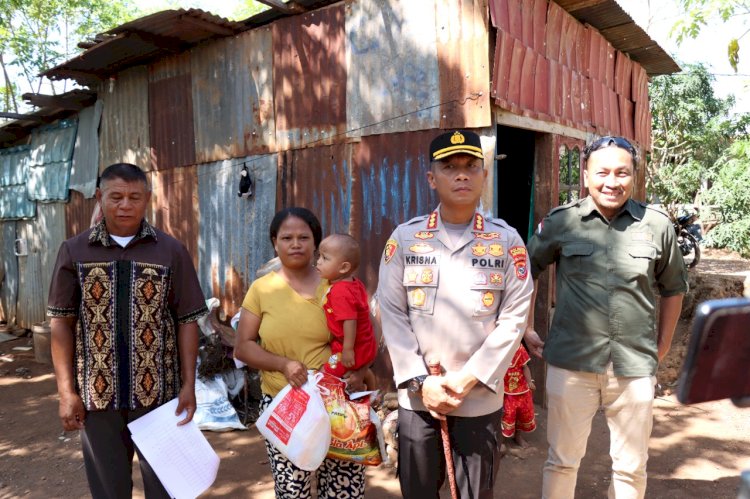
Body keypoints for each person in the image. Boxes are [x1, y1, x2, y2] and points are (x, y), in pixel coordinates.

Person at [525, 136, 688, 499]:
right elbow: (525, 269)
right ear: (586, 175)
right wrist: (525, 326)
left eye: (621, 173)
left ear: (634, 177)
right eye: (602, 172)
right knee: (562, 461)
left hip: (633, 369)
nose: (611, 182)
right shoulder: (562, 222)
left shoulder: (657, 225)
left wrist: (660, 348)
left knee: (631, 467)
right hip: (571, 365)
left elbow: (674, 288)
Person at [377, 129, 534, 498]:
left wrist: (468, 379)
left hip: (478, 399)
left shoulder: (507, 240)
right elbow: (392, 311)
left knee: (475, 493)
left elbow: (514, 317)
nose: (461, 174)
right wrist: (421, 382)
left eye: (470, 166)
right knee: (417, 492)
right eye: (449, 167)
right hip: (419, 399)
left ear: (483, 175)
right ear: (432, 178)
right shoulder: (405, 239)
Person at [47, 163, 208, 498]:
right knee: (109, 492)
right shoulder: (75, 251)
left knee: (167, 489)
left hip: (160, 399)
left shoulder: (170, 251)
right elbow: (61, 322)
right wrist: (67, 392)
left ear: (147, 198)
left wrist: (189, 385)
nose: (125, 205)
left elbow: (187, 321)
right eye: (116, 196)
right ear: (99, 197)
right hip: (97, 400)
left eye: (134, 197)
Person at [234, 208, 368, 498]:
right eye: (287, 237)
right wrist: (282, 364)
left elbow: (363, 334)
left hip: (337, 402)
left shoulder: (337, 287)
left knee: (344, 489)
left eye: (304, 237)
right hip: (285, 404)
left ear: (316, 244)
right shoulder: (261, 290)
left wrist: (361, 372)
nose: (296, 244)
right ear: (274, 242)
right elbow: (243, 346)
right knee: (293, 490)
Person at [316, 233, 377, 389]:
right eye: (319, 257)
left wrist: (348, 350)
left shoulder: (340, 291)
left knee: (327, 373)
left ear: (344, 267)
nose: (318, 262)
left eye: (325, 259)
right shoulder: (353, 283)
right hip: (360, 343)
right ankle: (373, 392)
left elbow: (350, 320)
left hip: (354, 347)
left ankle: (370, 391)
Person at [501, 343, 536, 448]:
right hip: (505, 392)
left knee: (521, 414)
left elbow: (525, 367)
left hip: (521, 391)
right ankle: (501, 441)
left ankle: (518, 436)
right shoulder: (499, 350)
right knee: (506, 415)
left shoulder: (519, 348)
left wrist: (529, 382)